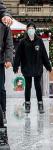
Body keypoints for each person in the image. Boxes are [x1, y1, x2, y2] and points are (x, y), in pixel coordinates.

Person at [13, 22, 52, 114]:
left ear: (35, 29)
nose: (31, 29)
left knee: (38, 85)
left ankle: (40, 103)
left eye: (32, 28)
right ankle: (27, 104)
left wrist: (48, 66)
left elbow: (44, 55)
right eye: (29, 28)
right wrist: (16, 66)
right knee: (28, 86)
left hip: (37, 67)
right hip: (26, 67)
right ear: (27, 30)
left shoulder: (39, 41)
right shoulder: (23, 42)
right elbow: (18, 55)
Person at [0, 18, 13, 149]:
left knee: (0, 90)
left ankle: (1, 131)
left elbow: (9, 43)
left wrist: (9, 58)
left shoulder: (4, 23)